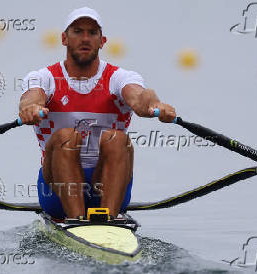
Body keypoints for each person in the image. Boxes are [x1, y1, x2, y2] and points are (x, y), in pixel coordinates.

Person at [19, 7, 176, 219]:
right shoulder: (44, 77)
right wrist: (30, 108)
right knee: (66, 137)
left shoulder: (119, 77)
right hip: (56, 191)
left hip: (108, 185)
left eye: (92, 33)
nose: (85, 38)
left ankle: (108, 219)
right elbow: (31, 97)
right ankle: (76, 220)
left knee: (117, 139)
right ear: (64, 38)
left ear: (102, 41)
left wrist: (155, 103)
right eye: (77, 31)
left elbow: (139, 97)